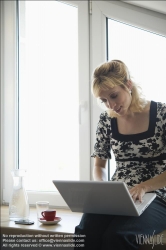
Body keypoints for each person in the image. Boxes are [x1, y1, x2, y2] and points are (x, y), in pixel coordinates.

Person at [74, 60, 166, 250]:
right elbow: (99, 165)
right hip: (120, 197)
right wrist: (102, 187)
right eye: (104, 100)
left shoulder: (162, 114)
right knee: (85, 232)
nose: (111, 105)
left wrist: (144, 186)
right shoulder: (106, 120)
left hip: (158, 196)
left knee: (118, 237)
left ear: (128, 85)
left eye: (114, 96)